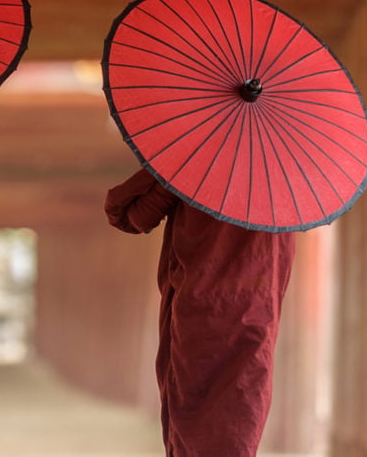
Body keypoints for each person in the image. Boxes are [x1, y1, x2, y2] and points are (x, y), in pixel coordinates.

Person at [103, 168, 294, 457]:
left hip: (201, 306)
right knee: (242, 408)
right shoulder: (289, 177)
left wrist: (172, 176)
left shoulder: (198, 161)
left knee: (191, 414)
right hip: (257, 310)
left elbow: (129, 215)